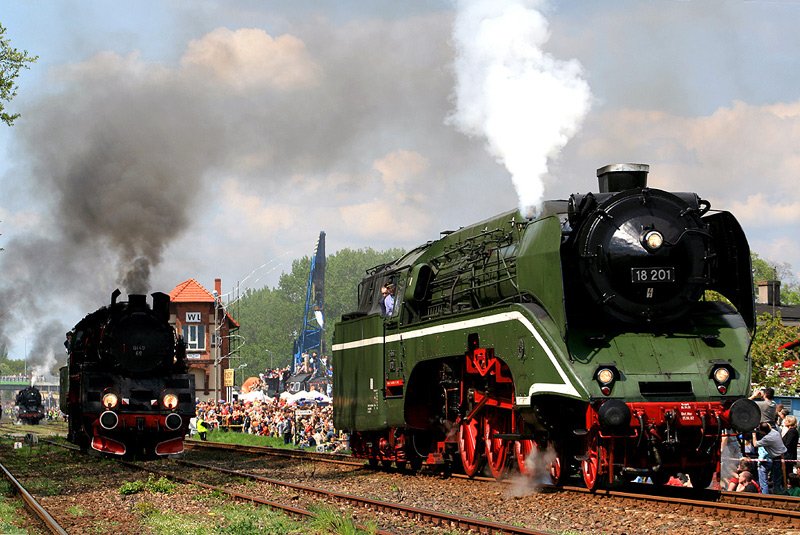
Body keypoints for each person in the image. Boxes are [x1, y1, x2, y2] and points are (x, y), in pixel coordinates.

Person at [753, 421, 787, 494]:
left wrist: (753, 434)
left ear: (762, 432)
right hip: (780, 457)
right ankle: (777, 495)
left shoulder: (767, 438)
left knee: (763, 478)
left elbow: (755, 444)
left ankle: (765, 495)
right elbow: (768, 426)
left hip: (773, 459)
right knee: (777, 480)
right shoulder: (775, 432)